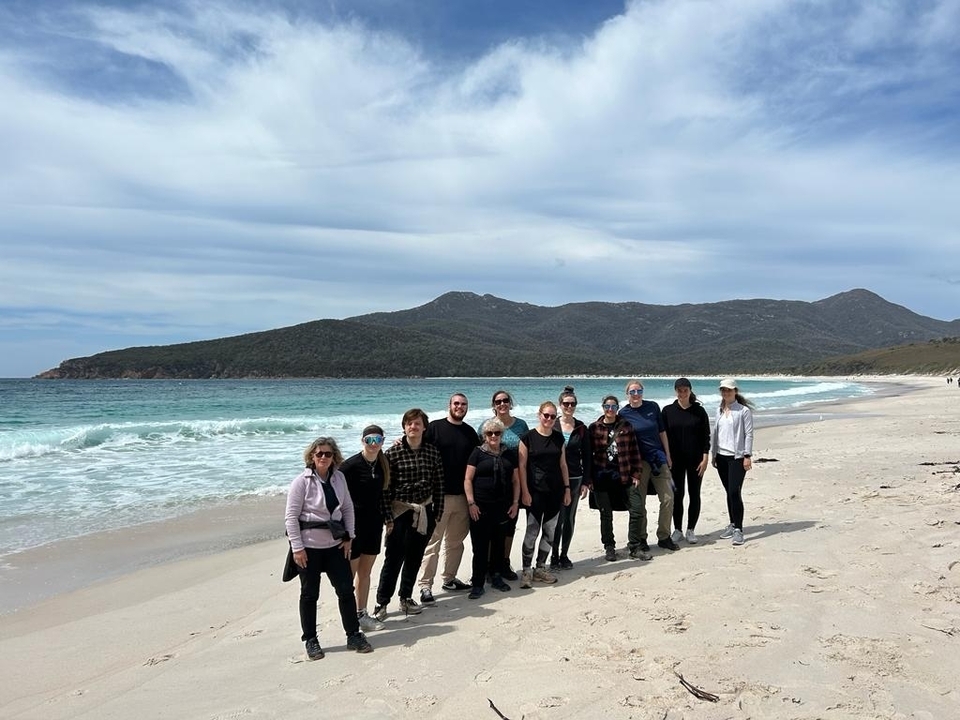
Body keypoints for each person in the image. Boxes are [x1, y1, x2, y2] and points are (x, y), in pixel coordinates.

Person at [285, 436, 373, 659]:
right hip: (309, 548)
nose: (324, 457)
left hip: (335, 545)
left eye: (328, 453)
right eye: (319, 454)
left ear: (334, 457)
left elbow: (348, 509)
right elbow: (291, 518)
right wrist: (297, 548)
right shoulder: (301, 482)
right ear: (312, 457)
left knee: (345, 590)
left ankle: (353, 635)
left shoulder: (339, 478)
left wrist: (349, 537)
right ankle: (311, 640)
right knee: (309, 594)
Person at [373, 409, 445, 619]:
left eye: (417, 423)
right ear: (404, 427)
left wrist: (437, 513)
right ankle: (382, 603)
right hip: (400, 511)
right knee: (393, 559)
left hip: (425, 511)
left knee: (414, 558)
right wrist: (387, 517)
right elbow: (385, 488)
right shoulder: (392, 453)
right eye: (409, 424)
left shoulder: (432, 452)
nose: (413, 427)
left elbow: (439, 484)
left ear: (424, 427)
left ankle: (406, 597)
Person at [418, 393, 481, 606]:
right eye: (456, 403)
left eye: (463, 404)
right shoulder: (434, 428)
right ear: (449, 405)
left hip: (462, 496)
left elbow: (477, 461)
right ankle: (425, 586)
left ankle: (449, 579)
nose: (460, 407)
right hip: (438, 496)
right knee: (432, 542)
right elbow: (417, 446)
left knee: (455, 542)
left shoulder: (470, 433)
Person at [339, 425, 392, 632]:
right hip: (352, 528)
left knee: (366, 572)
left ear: (382, 441)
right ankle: (350, 619)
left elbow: (384, 494)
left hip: (374, 524)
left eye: (377, 440)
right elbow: (334, 493)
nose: (373, 444)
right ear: (363, 441)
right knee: (349, 576)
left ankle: (362, 614)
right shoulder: (350, 466)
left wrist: (388, 519)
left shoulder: (382, 464)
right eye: (369, 440)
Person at [464, 418, 521, 598]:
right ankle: (478, 582)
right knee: (480, 548)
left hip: (502, 507)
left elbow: (516, 480)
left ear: (502, 434)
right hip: (480, 508)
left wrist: (515, 503)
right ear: (484, 435)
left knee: (498, 545)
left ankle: (496, 578)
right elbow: (467, 479)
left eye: (497, 433)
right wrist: (471, 503)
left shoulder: (508, 454)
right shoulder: (477, 453)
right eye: (490, 433)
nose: (494, 436)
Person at [619, 379, 677, 552]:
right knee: (640, 502)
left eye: (639, 391)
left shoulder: (653, 407)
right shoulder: (623, 414)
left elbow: (662, 432)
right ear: (627, 394)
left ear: (643, 392)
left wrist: (667, 454)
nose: (636, 395)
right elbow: (620, 440)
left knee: (668, 498)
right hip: (638, 464)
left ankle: (664, 536)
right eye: (632, 392)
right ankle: (642, 538)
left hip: (658, 458)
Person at [586, 395, 646, 561]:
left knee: (637, 509)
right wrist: (589, 478)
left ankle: (634, 546)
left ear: (618, 408)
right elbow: (588, 455)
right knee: (606, 514)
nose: (610, 409)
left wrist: (636, 473)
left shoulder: (626, 426)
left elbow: (635, 451)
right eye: (607, 406)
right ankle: (609, 547)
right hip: (601, 477)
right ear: (602, 407)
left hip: (625, 474)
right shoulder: (594, 428)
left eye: (613, 406)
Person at [517, 401, 570, 588]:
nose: (548, 419)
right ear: (539, 415)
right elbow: (521, 467)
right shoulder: (527, 437)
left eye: (552, 416)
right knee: (532, 531)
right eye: (546, 415)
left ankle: (540, 567)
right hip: (534, 492)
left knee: (550, 532)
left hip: (555, 492)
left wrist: (567, 489)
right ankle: (526, 570)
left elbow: (563, 465)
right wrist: (524, 492)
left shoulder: (558, 438)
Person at [477, 390, 529, 581]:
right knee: (490, 527)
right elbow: (475, 452)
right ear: (494, 405)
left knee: (509, 526)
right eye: (498, 401)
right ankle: (490, 565)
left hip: (513, 482)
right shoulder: (485, 426)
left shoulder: (521, 425)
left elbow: (528, 454)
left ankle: (504, 562)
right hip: (489, 485)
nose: (502, 404)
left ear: (510, 403)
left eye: (506, 400)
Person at [661, 378, 711, 545]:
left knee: (694, 493)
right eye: (679, 390)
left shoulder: (699, 411)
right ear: (675, 391)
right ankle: (678, 529)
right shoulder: (667, 411)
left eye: (685, 390)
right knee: (677, 494)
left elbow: (706, 437)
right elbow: (663, 436)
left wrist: (705, 458)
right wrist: (666, 457)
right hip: (674, 462)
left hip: (696, 460)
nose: (682, 393)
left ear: (690, 391)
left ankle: (690, 529)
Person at [551, 386, 591, 570]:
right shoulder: (552, 425)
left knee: (569, 518)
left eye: (572, 404)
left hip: (575, 478)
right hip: (555, 479)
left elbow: (588, 456)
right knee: (556, 519)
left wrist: (586, 482)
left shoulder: (581, 427)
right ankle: (553, 555)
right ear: (560, 405)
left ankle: (564, 555)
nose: (569, 406)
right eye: (566, 403)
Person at [711, 378, 755, 546]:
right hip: (721, 457)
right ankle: (732, 523)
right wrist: (714, 453)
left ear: (735, 391)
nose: (726, 393)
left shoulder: (743, 411)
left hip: (737, 458)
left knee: (734, 492)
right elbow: (716, 433)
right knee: (728, 493)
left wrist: (747, 455)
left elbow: (749, 434)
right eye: (723, 390)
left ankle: (739, 530)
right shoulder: (719, 410)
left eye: (729, 390)